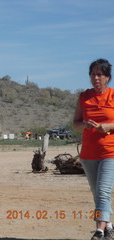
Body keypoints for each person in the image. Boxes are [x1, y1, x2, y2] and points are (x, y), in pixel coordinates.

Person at [73, 58, 114, 240]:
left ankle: (99, 231)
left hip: (110, 152)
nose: (95, 78)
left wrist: (109, 126)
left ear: (107, 77)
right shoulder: (84, 97)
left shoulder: (113, 96)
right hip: (88, 153)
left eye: (99, 74)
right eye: (92, 74)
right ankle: (109, 226)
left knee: (103, 191)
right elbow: (75, 124)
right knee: (96, 192)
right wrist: (85, 125)